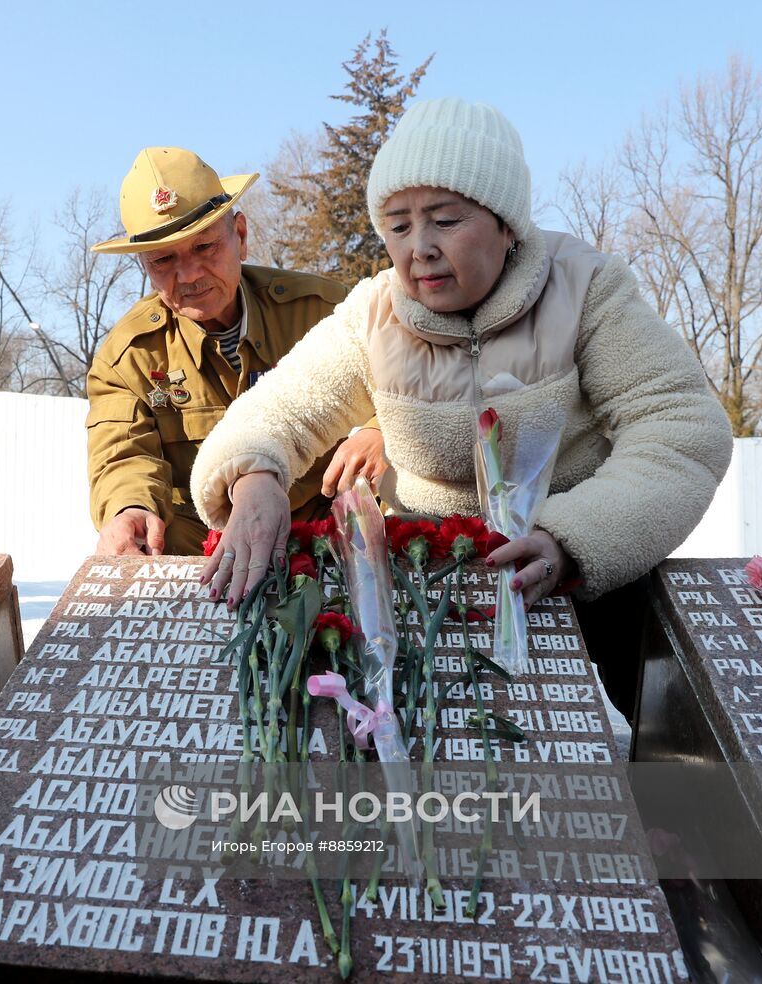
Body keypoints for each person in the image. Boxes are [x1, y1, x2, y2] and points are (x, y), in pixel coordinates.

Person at [191, 99, 733, 715]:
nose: (418, 248)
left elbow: (681, 426)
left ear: (506, 223)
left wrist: (572, 539)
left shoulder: (585, 288)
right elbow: (277, 410)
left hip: (581, 579)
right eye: (397, 226)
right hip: (429, 583)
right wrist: (254, 475)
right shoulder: (374, 314)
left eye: (445, 220)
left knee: (660, 734)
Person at [87, 146, 385, 557]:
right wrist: (129, 508)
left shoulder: (325, 312)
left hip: (330, 526)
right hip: (210, 545)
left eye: (205, 247)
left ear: (240, 236)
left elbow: (413, 375)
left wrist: (380, 428)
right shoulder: (129, 358)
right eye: (163, 260)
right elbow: (122, 455)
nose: (188, 274)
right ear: (144, 267)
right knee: (149, 535)